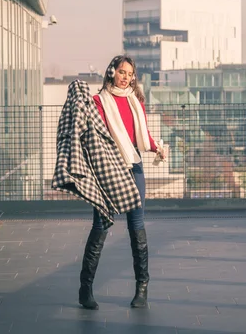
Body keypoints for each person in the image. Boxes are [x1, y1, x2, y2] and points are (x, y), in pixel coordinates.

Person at [78, 55, 167, 310]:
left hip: (134, 165)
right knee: (101, 224)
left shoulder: (136, 101)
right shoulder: (98, 101)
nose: (126, 76)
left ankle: (142, 289)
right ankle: (85, 289)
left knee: (136, 225)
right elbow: (90, 135)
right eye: (121, 72)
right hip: (108, 168)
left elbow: (142, 135)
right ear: (111, 72)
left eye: (130, 73)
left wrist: (156, 147)